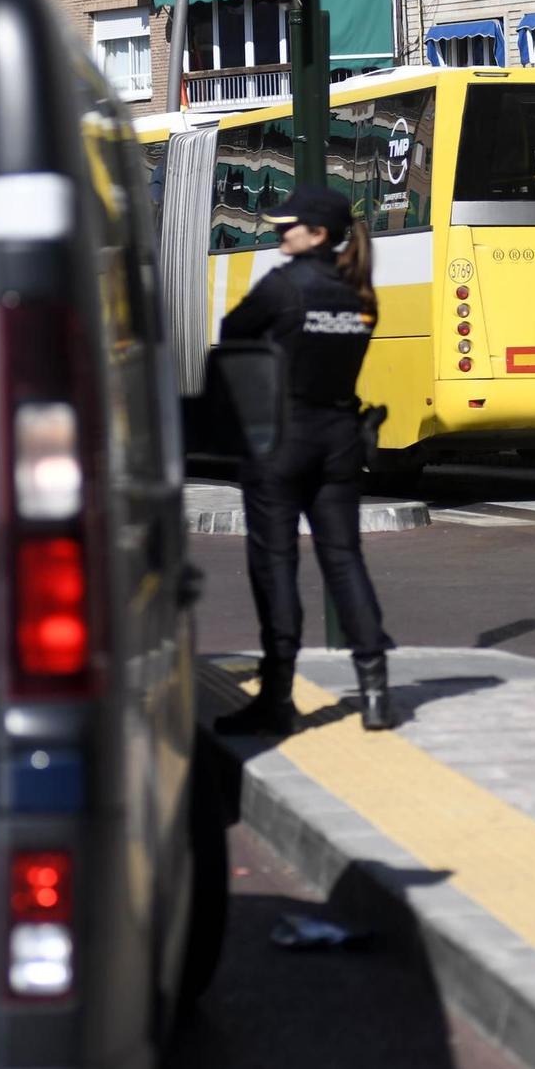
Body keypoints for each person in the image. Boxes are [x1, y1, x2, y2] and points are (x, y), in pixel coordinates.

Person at [214, 185, 397, 734]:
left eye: (286, 226)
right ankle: (376, 694)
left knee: (275, 563)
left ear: (316, 234)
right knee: (344, 559)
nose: (277, 233)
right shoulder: (361, 293)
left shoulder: (285, 285)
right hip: (340, 435)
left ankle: (276, 698)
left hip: (281, 440)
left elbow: (232, 333)